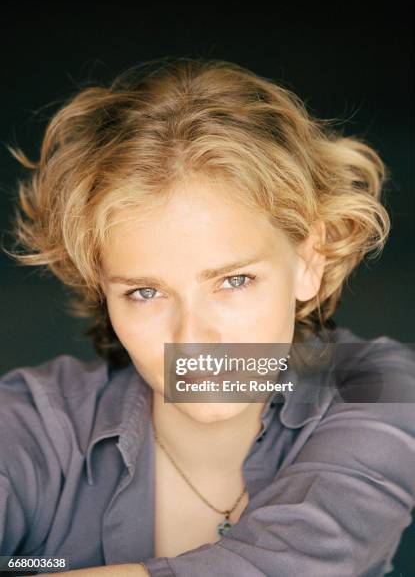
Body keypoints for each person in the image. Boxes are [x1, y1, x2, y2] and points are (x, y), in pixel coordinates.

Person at [1, 57, 414, 577]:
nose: (193, 340)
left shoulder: (377, 385)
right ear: (102, 290)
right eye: (145, 292)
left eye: (233, 281)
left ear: (311, 260)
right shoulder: (32, 422)